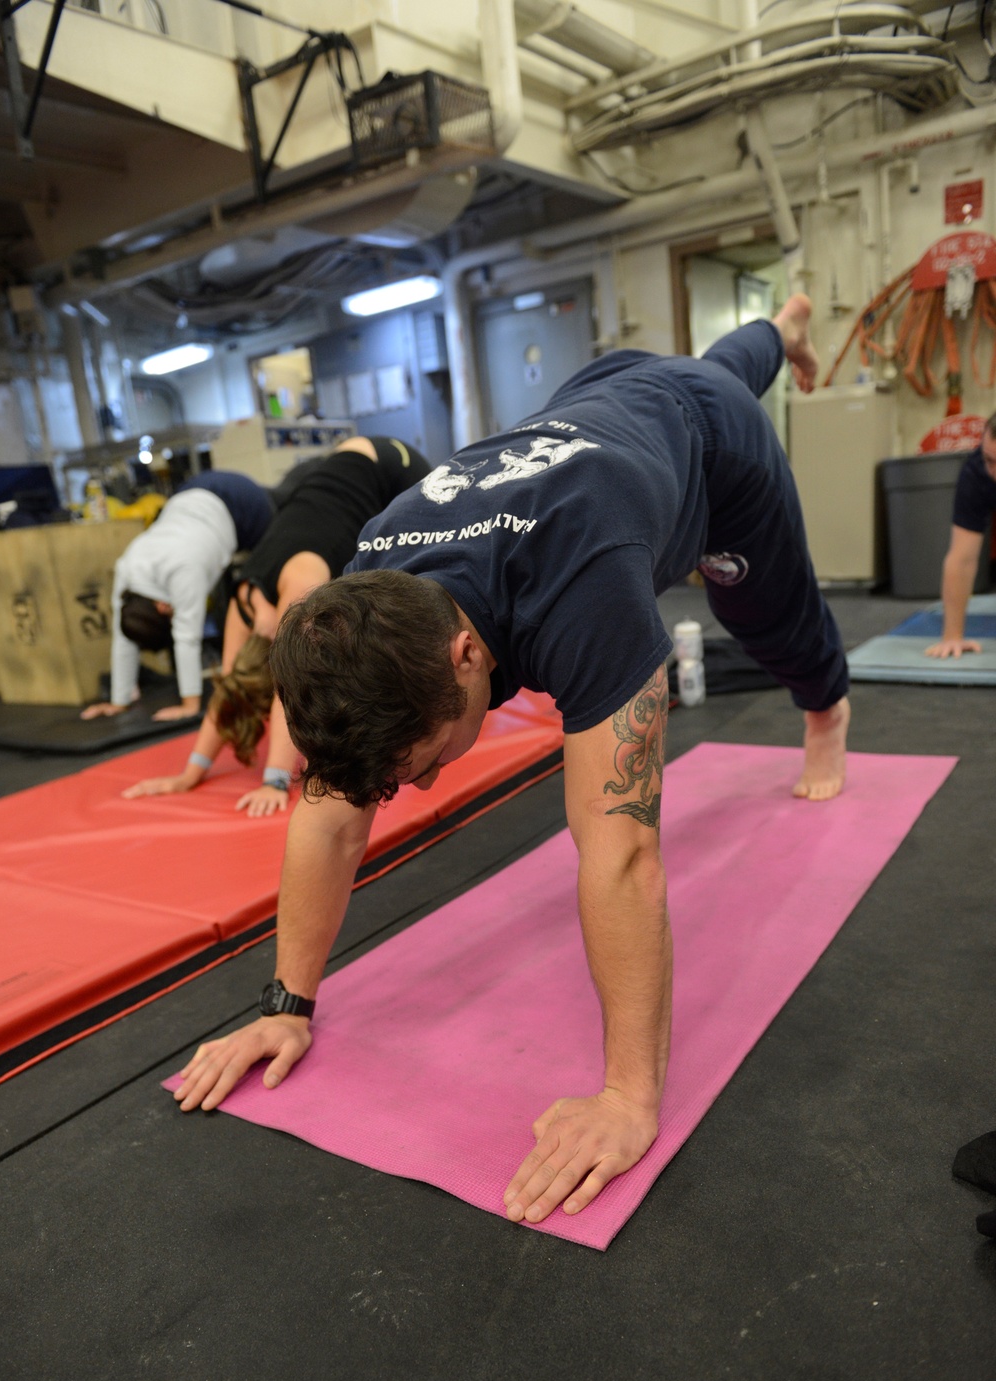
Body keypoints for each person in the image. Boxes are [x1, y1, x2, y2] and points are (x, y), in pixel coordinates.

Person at [173, 295, 851, 1224]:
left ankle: (829, 708)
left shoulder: (585, 593)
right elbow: (328, 818)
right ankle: (783, 329)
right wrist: (288, 1001)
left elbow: (621, 854)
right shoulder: (373, 597)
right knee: (701, 364)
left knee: (765, 616)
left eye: (420, 763)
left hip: (711, 447)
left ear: (465, 656)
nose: (417, 787)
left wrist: (626, 1097)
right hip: (600, 394)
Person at [121, 436, 431, 816]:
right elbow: (228, 690)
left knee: (424, 587)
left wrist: (275, 780)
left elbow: (291, 697)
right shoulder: (242, 605)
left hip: (391, 466)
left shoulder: (296, 595)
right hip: (339, 463)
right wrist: (190, 773)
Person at [82, 470, 273, 724]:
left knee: (272, 575)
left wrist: (189, 705)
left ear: (163, 608)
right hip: (192, 489)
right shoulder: (127, 567)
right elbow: (123, 637)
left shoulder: (184, 571)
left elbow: (186, 637)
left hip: (243, 503)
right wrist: (119, 701)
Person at [924, 417, 995, 660]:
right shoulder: (978, 473)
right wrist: (953, 636)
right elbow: (962, 559)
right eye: (990, 460)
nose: (994, 473)